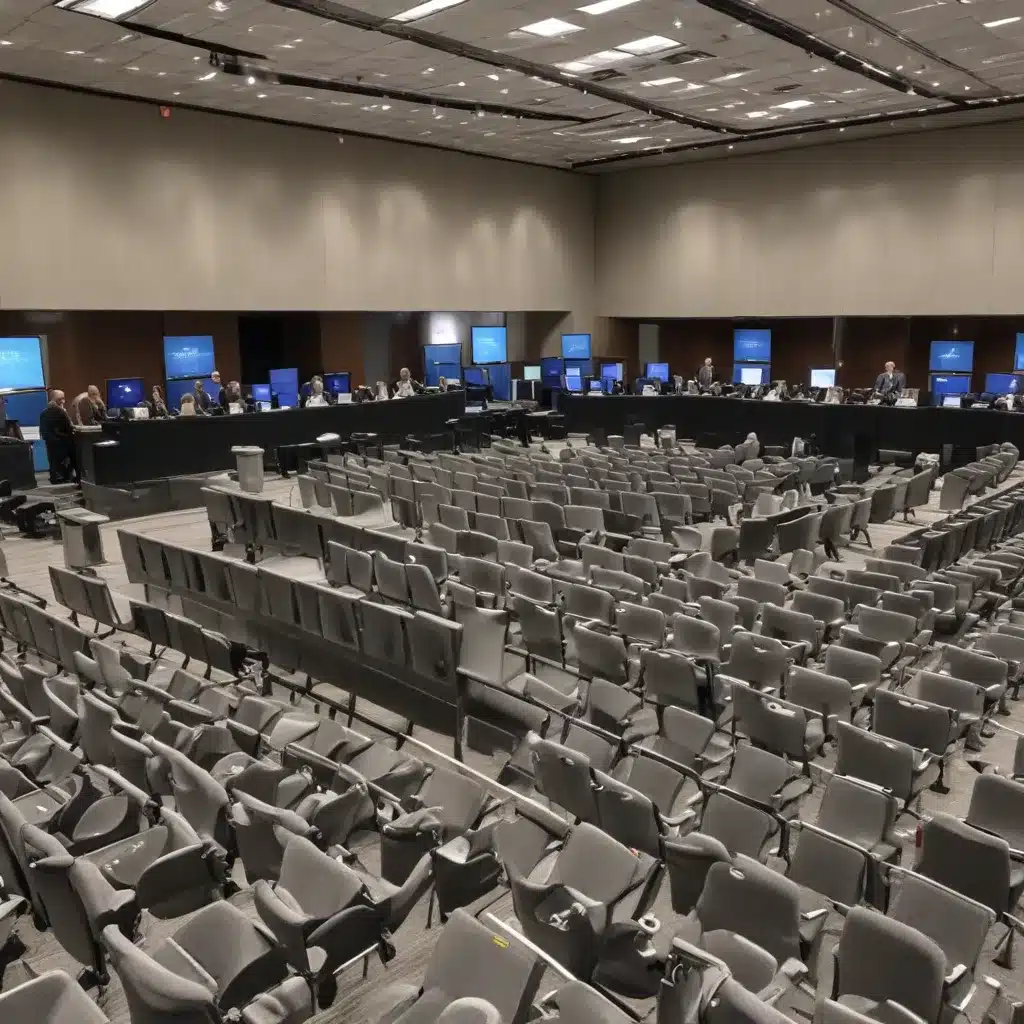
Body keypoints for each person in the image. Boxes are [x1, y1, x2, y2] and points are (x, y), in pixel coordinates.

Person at [39, 389, 77, 484]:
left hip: (50, 442)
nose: (63, 401)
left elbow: (43, 430)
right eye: (61, 399)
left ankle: (55, 477)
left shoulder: (44, 412)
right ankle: (69, 476)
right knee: (74, 454)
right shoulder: (60, 411)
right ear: (55, 399)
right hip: (62, 441)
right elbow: (68, 427)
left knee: (53, 460)